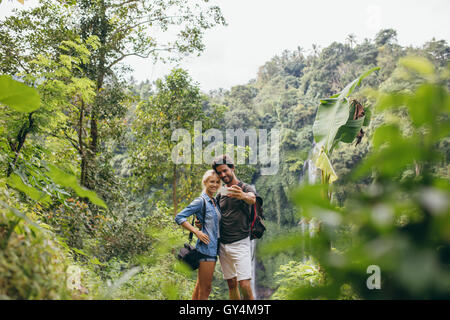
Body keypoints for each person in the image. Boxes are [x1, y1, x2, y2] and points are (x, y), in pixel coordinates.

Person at [211, 154, 262, 300]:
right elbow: (215, 214)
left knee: (244, 284)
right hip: (223, 244)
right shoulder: (221, 193)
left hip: (240, 242)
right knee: (232, 284)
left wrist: (242, 196)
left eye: (225, 170)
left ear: (232, 168)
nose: (223, 175)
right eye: (219, 172)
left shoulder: (245, 188)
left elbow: (252, 199)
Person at [174, 169, 222, 300]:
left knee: (200, 286)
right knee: (205, 289)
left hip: (213, 249)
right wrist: (196, 231)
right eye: (212, 181)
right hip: (206, 249)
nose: (215, 185)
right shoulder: (201, 201)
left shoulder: (214, 202)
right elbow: (179, 217)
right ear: (205, 182)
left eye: (217, 182)